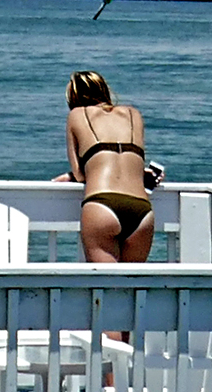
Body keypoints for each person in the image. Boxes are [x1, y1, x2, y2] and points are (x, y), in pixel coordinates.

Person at [64, 69, 153, 262]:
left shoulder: (77, 115)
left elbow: (80, 175)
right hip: (141, 209)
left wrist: (71, 176)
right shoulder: (133, 114)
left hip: (102, 204)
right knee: (132, 288)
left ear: (74, 96)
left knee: (104, 287)